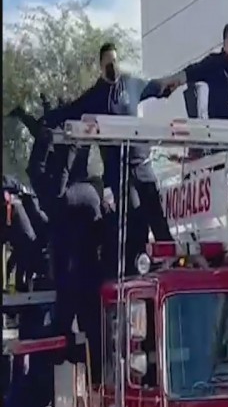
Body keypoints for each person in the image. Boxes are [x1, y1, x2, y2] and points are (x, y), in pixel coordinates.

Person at [44, 41, 174, 272]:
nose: (112, 67)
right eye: (107, 64)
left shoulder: (130, 85)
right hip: (118, 171)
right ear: (101, 67)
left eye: (115, 62)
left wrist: (172, 83)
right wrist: (49, 118)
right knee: (134, 218)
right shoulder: (95, 96)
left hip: (140, 162)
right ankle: (135, 265)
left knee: (154, 209)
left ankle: (169, 257)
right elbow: (72, 110)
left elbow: (154, 87)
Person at [158, 22, 228, 120]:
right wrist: (172, 80)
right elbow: (192, 71)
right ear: (224, 44)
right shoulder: (214, 63)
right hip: (219, 127)